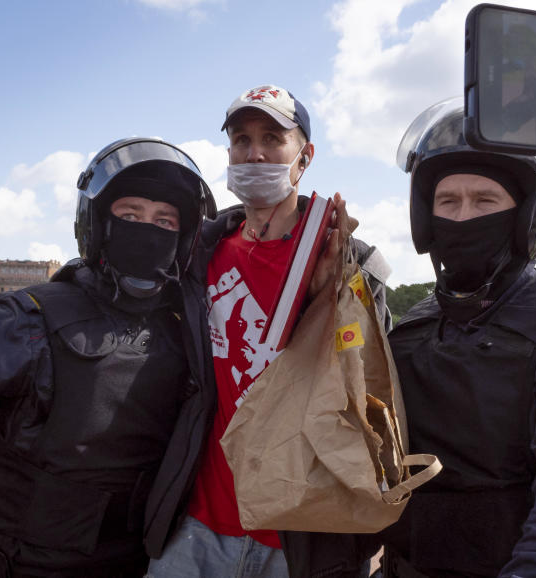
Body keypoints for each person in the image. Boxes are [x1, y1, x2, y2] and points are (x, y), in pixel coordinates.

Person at [282, 100, 536, 577]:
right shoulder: (414, 328)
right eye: (448, 202)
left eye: (485, 201)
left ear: (526, 218)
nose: (462, 217)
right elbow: (367, 469)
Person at [0, 137, 215, 577]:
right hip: (21, 566)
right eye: (131, 215)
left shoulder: (186, 334)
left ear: (184, 237)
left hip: (138, 566)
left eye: (165, 220)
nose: (148, 229)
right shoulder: (27, 319)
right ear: (98, 224)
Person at [146, 84, 391, 578]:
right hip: (200, 524)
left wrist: (333, 294)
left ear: (304, 156)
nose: (254, 152)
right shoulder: (201, 253)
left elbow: (370, 390)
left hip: (303, 534)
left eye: (272, 138)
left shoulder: (349, 257)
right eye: (240, 139)